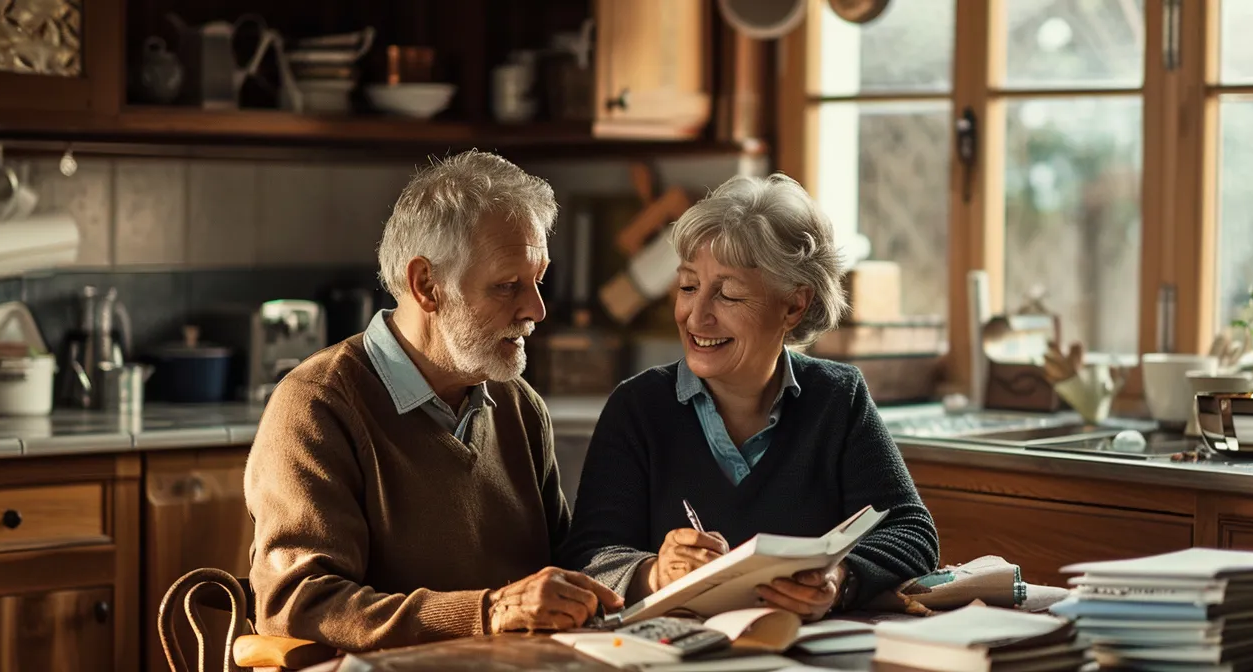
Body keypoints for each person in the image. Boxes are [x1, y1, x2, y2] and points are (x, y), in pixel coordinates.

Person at [245, 150, 621, 652]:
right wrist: (488, 613)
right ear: (427, 285)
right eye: (508, 285)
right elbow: (296, 605)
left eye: (538, 280)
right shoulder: (317, 406)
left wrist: (649, 574)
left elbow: (564, 569)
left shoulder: (519, 407)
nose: (536, 309)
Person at [560, 174, 939, 621]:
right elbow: (586, 557)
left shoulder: (839, 397)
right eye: (687, 287)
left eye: (729, 293)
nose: (696, 316)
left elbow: (911, 532)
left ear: (794, 305)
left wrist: (839, 579)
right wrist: (654, 573)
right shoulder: (637, 407)